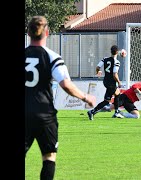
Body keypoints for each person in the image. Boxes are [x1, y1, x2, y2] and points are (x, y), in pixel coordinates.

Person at [25, 16, 96, 180]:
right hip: (45, 115)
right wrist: (85, 97)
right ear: (47, 33)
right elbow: (66, 84)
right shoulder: (52, 57)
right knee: (49, 158)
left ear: (28, 32)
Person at [87, 45, 126, 120]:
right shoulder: (116, 62)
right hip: (112, 83)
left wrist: (98, 72)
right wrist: (119, 82)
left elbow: (97, 67)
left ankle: (116, 112)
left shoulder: (105, 59)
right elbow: (115, 74)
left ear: (110, 51)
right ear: (117, 52)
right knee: (110, 99)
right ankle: (92, 112)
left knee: (115, 96)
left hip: (105, 81)